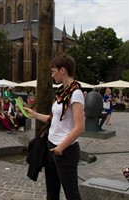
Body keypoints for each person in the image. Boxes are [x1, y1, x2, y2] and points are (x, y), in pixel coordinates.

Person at [23, 54, 84, 200]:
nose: (52, 74)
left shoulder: (76, 94)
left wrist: (60, 148)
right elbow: (53, 120)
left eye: (53, 71)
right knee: (51, 192)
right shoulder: (62, 93)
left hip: (65, 150)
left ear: (62, 70)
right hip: (52, 146)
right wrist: (33, 114)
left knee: (72, 194)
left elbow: (80, 127)